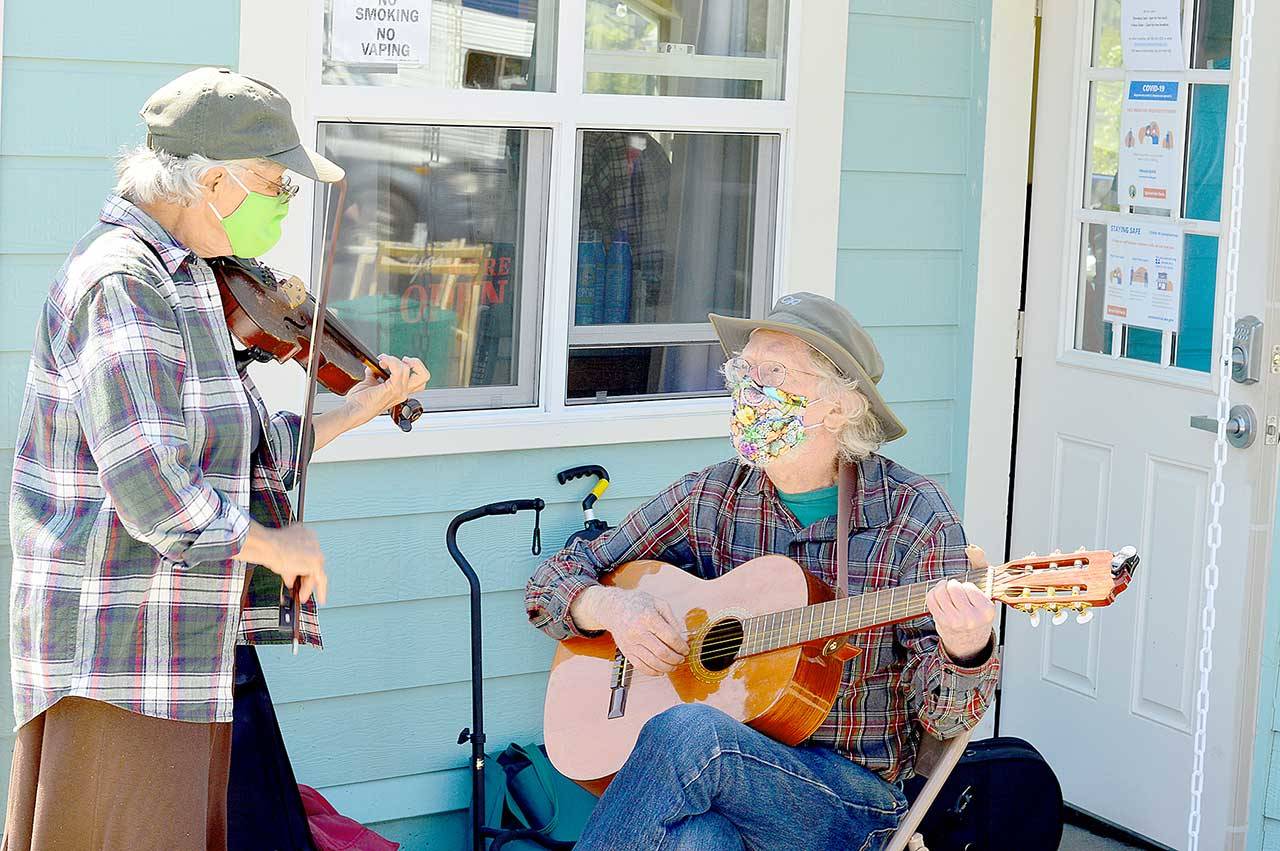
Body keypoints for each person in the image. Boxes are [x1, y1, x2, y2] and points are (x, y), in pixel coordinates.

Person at [4, 67, 428, 850]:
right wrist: (278, 543)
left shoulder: (190, 279)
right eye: (275, 184)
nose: (282, 204)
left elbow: (240, 449)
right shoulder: (122, 282)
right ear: (214, 182)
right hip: (116, 658)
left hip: (184, 649)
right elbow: (152, 485)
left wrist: (355, 408)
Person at [526, 292, 1000, 851]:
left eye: (770, 373)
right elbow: (554, 579)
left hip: (850, 801)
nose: (745, 390)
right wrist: (611, 607)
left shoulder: (912, 513)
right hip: (724, 787)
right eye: (740, 371)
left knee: (691, 733)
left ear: (839, 405)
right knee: (697, 841)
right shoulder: (712, 495)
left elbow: (946, 723)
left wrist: (967, 648)